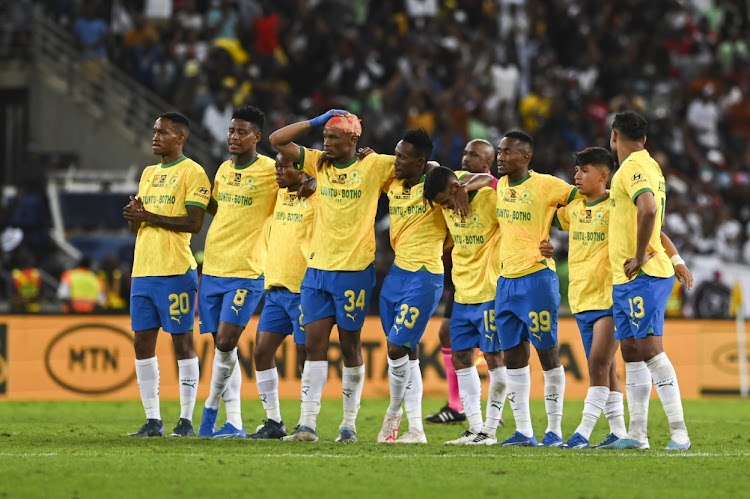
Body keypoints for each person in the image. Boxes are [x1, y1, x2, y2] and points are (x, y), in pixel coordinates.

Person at [270, 109, 396, 443]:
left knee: (351, 344)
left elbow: (419, 165)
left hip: (354, 271)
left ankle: (348, 425)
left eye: (333, 137)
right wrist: (315, 120)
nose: (325, 142)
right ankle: (307, 424)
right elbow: (277, 140)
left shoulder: (374, 165)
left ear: (354, 140)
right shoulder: (316, 162)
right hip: (317, 271)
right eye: (324, 136)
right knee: (313, 345)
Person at [459, 130, 577, 447]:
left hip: (537, 278)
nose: (500, 157)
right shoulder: (500, 188)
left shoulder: (546, 185)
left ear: (525, 157)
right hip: (505, 283)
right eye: (499, 151)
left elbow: (581, 205)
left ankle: (554, 431)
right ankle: (524, 431)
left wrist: (560, 243)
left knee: (548, 353)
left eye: (507, 152)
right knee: (513, 357)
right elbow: (480, 181)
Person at [602, 111, 691, 451]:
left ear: (614, 136)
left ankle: (679, 433)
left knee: (651, 350)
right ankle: (637, 434)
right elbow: (655, 222)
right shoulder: (651, 165)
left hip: (643, 274)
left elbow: (649, 210)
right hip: (626, 278)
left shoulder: (634, 168)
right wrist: (677, 258)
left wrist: (639, 256)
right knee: (631, 351)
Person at [123, 112, 211, 437]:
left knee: (182, 343)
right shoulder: (148, 172)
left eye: (163, 132)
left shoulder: (193, 172)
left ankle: (186, 421)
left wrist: (147, 214)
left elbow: (194, 223)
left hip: (175, 270)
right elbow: (140, 224)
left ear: (180, 138)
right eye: (155, 130)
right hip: (143, 270)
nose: (155, 136)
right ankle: (153, 420)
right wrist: (135, 216)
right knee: (142, 343)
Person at [197, 105, 277, 438]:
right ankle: (235, 422)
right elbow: (219, 207)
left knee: (227, 343)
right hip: (213, 268)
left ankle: (210, 413)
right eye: (231, 131)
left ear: (257, 137)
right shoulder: (223, 170)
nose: (234, 137)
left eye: (242, 132)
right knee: (221, 349)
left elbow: (297, 187)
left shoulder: (271, 171)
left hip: (247, 270)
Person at [423, 166, 506, 445]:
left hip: (490, 291)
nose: (446, 208)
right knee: (461, 357)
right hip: (461, 293)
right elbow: (434, 166)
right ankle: (474, 428)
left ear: (457, 188)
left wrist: (467, 189)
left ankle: (491, 431)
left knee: (495, 359)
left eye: (447, 201)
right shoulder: (448, 198)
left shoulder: (487, 199)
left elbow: (494, 182)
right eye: (442, 204)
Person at [377, 129, 445, 444]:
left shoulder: (437, 186)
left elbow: (463, 178)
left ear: (420, 161)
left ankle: (393, 415)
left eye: (403, 157)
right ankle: (415, 429)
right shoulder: (392, 183)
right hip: (396, 275)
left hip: (424, 276)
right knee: (409, 352)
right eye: (395, 154)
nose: (396, 161)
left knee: (395, 348)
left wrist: (435, 168)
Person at [247, 153, 315, 439]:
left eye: (284, 166)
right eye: (276, 166)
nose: (278, 170)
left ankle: (306, 422)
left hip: (303, 289)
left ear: (300, 169)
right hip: (275, 288)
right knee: (261, 353)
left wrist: (314, 181)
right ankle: (274, 421)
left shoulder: (317, 195)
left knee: (305, 358)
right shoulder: (277, 195)